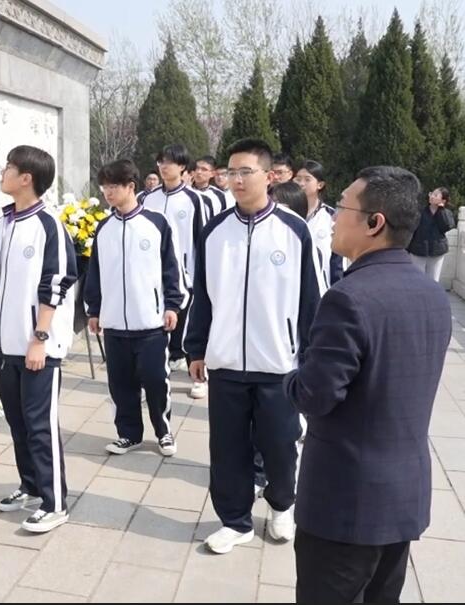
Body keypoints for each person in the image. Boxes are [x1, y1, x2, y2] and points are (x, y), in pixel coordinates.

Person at [284, 166, 452, 603]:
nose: (334, 217)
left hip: (345, 504)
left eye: (342, 207)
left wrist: (288, 376)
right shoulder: (433, 295)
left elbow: (315, 395)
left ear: (375, 223)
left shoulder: (348, 298)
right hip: (402, 497)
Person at [185, 138, 322, 554]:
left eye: (246, 172)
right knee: (227, 449)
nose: (238, 180)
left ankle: (282, 505)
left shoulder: (293, 230)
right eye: (232, 172)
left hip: (278, 363)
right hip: (225, 361)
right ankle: (235, 521)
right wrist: (196, 348)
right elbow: (202, 295)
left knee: (280, 444)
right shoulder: (214, 232)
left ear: (269, 175)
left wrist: (310, 358)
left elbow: (311, 300)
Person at [0, 145, 78, 533]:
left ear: (26, 178)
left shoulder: (49, 225)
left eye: (8, 167)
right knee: (18, 422)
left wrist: (40, 338)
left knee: (40, 426)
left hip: (38, 347)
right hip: (4, 345)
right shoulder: (3, 223)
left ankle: (55, 503)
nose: (1, 173)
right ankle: (31, 487)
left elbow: (55, 285)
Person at [85, 159, 188, 457]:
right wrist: (94, 310)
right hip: (114, 324)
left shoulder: (156, 223)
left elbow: (172, 268)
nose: (108, 193)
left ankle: (164, 431)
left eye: (113, 187)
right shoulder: (104, 227)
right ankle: (129, 434)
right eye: (104, 187)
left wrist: (173, 305)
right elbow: (95, 272)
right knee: (120, 384)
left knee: (155, 380)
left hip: (151, 323)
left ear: (131, 186)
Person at [142, 145, 211, 383]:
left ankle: (198, 377)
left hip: (186, 275)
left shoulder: (194, 200)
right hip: (153, 275)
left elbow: (202, 239)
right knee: (157, 329)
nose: (164, 167)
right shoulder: (148, 198)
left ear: (182, 166)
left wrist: (199, 275)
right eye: (161, 162)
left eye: (169, 162)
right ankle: (157, 379)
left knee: (189, 327)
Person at [294, 160, 344, 286]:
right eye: (298, 179)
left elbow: (337, 261)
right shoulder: (286, 214)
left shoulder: (331, 217)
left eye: (307, 179)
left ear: (320, 185)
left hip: (321, 288)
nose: (301, 184)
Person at [407, 187, 456, 282]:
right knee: (417, 280)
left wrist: (441, 210)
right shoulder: (420, 211)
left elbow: (446, 227)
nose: (432, 196)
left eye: (435, 195)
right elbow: (411, 228)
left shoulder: (446, 213)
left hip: (437, 251)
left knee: (433, 280)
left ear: (443, 200)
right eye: (431, 194)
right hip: (418, 249)